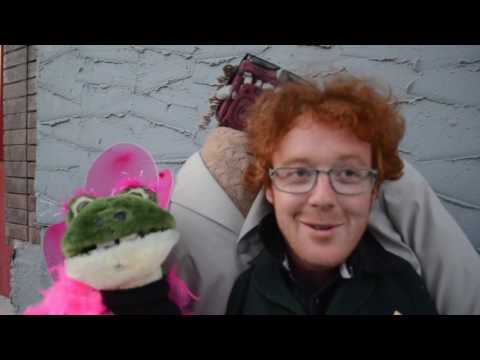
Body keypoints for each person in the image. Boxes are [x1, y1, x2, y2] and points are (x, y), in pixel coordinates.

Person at [169, 77, 480, 315]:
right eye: (298, 173)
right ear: (269, 190)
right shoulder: (246, 290)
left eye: (347, 174)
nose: (322, 198)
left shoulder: (404, 286)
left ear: (374, 191)